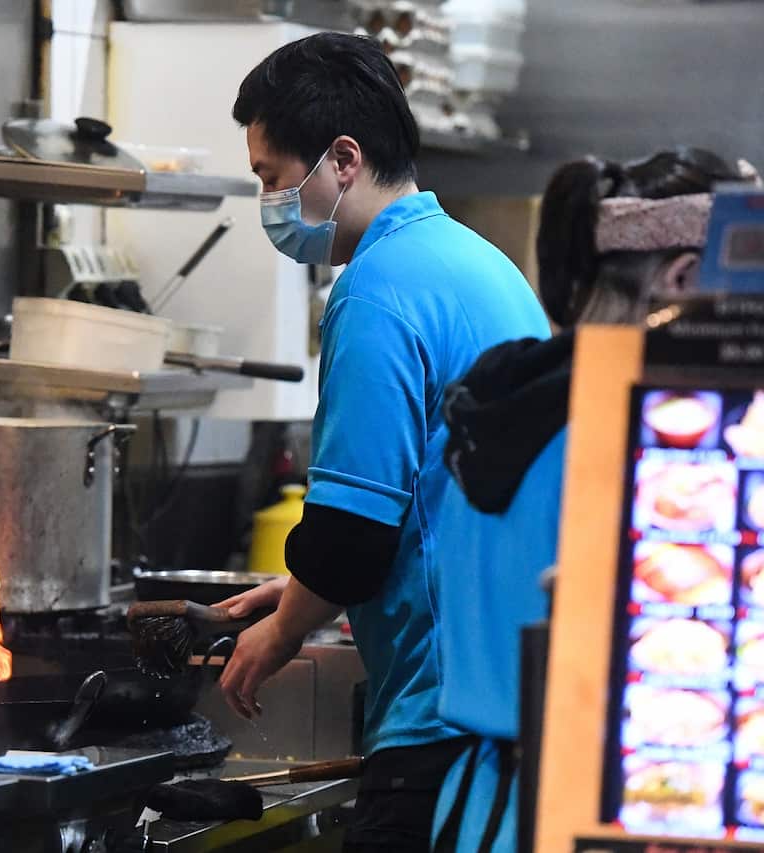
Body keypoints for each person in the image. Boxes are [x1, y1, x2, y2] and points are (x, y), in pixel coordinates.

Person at [213, 32, 550, 851]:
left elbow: (353, 537)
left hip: (435, 724)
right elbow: (423, 502)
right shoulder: (479, 262)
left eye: (270, 177)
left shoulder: (375, 288)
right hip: (509, 712)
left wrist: (282, 631)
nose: (269, 201)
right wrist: (293, 590)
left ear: (342, 158)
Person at [429, 147, 758, 852]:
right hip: (611, 817)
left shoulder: (486, 407)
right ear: (685, 275)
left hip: (482, 808)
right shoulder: (643, 447)